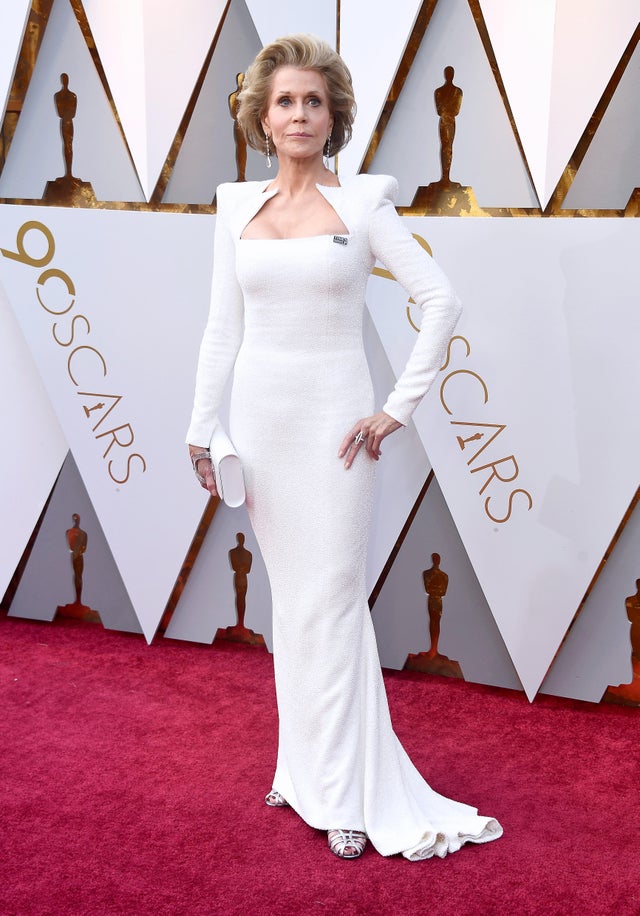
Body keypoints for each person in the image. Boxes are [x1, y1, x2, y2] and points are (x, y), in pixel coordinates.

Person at [186, 34, 502, 861]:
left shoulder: (364, 206)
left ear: (334, 118)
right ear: (262, 117)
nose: (299, 114)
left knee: (331, 599)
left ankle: (345, 791)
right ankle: (301, 771)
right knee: (293, 605)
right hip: (260, 426)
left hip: (335, 431)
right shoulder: (233, 206)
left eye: (314, 102)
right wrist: (200, 426)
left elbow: (441, 301)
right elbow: (222, 327)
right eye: (285, 101)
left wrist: (396, 408)